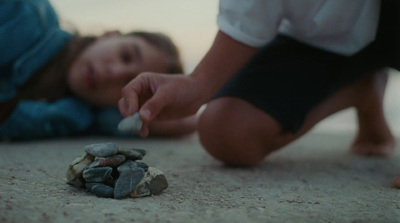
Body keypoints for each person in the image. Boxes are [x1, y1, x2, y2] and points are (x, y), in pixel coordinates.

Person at [118, 1, 400, 186]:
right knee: (225, 131)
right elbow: (249, 19)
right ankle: (362, 88)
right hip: (318, 39)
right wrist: (196, 83)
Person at [0, 0, 196, 140]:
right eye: (126, 55)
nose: (115, 73)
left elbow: (187, 121)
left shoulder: (80, 114)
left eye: (129, 83)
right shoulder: (21, 16)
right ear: (109, 35)